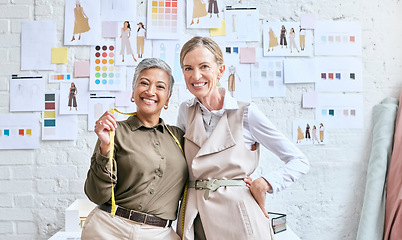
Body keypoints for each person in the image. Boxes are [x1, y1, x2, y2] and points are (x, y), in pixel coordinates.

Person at [176, 36, 310, 240]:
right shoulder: (185, 111)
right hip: (196, 218)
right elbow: (177, 164)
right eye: (188, 68)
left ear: (220, 70)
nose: (196, 75)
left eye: (204, 66)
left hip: (239, 217)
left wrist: (265, 182)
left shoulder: (246, 112)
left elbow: (299, 161)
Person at [82, 58, 188, 240]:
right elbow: (96, 195)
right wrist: (105, 147)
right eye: (144, 83)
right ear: (133, 91)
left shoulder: (179, 137)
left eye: (160, 86)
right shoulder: (115, 132)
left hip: (160, 234)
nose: (150, 91)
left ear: (168, 98)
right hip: (108, 228)